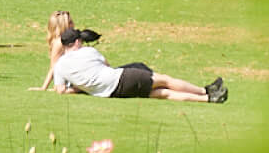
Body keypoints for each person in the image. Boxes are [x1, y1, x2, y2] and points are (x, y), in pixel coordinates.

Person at [49, 27, 223, 102]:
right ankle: (205, 90)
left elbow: (61, 90)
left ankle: (208, 99)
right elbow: (108, 67)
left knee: (162, 94)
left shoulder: (60, 66)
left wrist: (81, 87)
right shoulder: (88, 51)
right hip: (120, 78)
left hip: (112, 94)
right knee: (165, 80)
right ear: (78, 41)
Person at [33, 10, 99, 91]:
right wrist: (45, 87)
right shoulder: (61, 42)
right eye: (70, 22)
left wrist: (46, 87)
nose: (73, 24)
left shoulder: (66, 41)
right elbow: (54, 66)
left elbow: (54, 66)